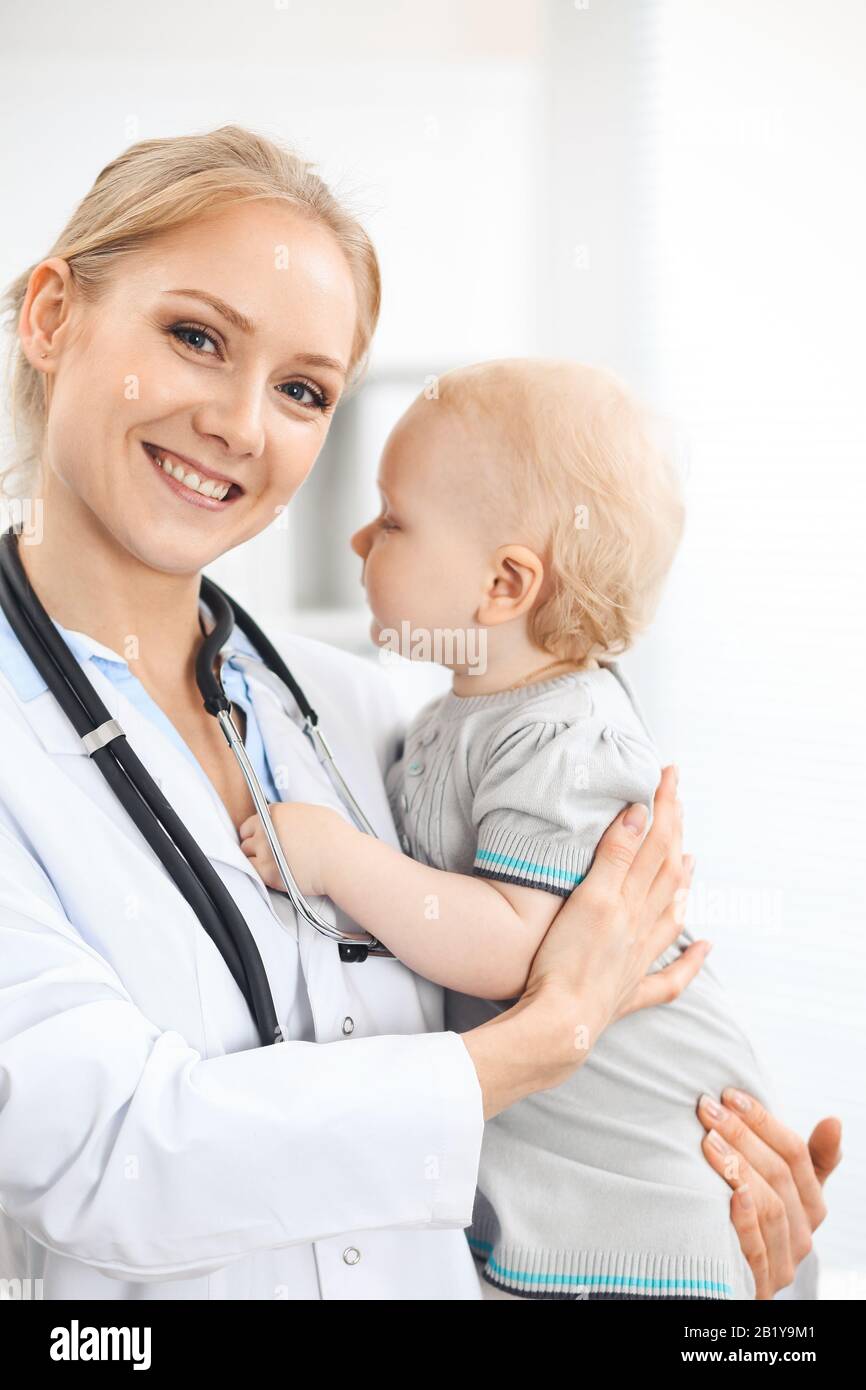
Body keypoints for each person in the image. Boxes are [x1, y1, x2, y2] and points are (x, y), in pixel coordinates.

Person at [0, 127, 840, 1301]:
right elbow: (102, 1155)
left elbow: (522, 1161)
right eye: (196, 338)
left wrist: (735, 1250)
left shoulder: (377, 714)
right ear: (50, 318)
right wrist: (528, 1044)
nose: (243, 427)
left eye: (301, 390)